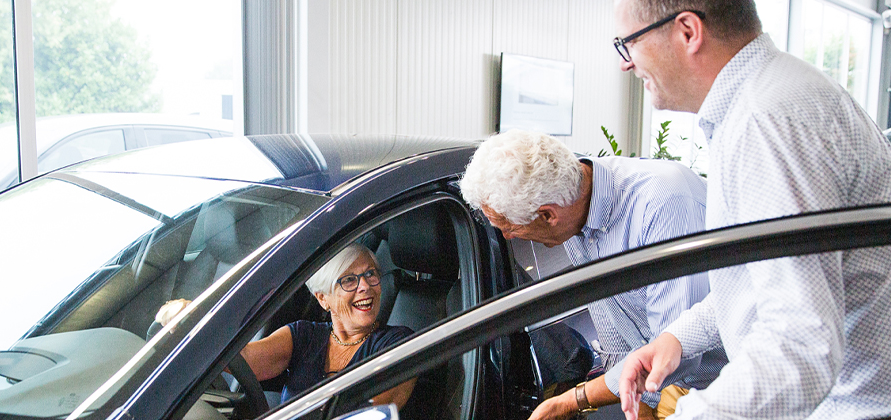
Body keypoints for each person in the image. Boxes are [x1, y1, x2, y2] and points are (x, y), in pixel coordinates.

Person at [611, 1, 891, 419]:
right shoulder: (772, 96)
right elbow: (760, 280)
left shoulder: (765, 122)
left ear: (687, 31)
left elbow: (800, 346)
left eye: (628, 43)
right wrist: (678, 338)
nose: (626, 64)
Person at [459, 129, 725, 420]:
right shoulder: (576, 211)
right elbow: (614, 331)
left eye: (508, 226)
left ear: (548, 215)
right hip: (676, 384)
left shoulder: (663, 205)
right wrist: (639, 407)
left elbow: (676, 353)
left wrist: (570, 401)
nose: (507, 237)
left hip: (735, 379)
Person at [158, 243, 416, 407]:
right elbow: (244, 359)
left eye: (370, 274)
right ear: (323, 298)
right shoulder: (304, 334)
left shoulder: (398, 343)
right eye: (349, 280)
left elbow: (366, 412)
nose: (365, 286)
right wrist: (192, 316)